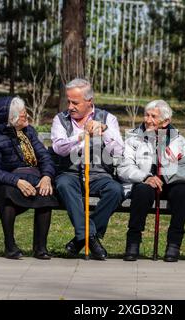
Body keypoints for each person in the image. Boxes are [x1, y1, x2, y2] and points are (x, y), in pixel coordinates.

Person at [117, 100, 185, 262]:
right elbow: (124, 167)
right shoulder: (134, 138)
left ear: (165, 121)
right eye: (146, 115)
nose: (148, 120)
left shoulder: (178, 140)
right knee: (142, 190)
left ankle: (174, 244)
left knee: (183, 191)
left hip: (172, 184)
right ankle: (133, 242)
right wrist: (145, 177)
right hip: (145, 181)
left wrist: (177, 173)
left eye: (153, 116)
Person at [50, 78, 124, 260]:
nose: (70, 106)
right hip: (70, 173)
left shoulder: (108, 119)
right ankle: (90, 237)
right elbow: (58, 148)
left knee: (115, 190)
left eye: (75, 102)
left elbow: (119, 151)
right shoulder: (60, 120)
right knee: (64, 185)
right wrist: (81, 136)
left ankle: (80, 240)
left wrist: (105, 131)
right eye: (68, 101)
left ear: (89, 102)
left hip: (98, 174)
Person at [0, 96, 58, 260]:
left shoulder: (28, 132)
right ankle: (10, 246)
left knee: (45, 192)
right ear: (12, 119)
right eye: (24, 116)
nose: (28, 118)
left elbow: (45, 157)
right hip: (9, 182)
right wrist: (16, 181)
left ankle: (40, 248)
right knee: (8, 192)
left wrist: (46, 176)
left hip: (33, 178)